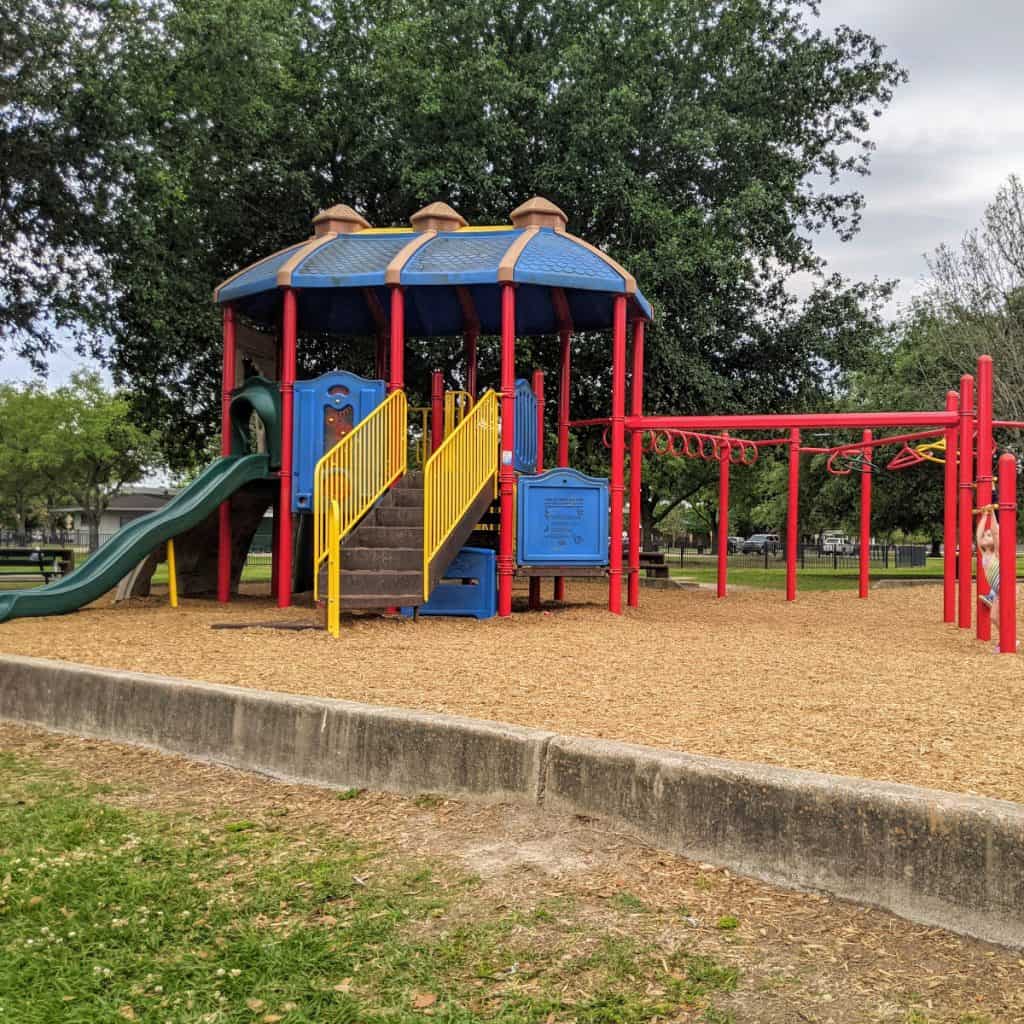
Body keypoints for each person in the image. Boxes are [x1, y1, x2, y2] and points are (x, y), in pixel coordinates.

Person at [976, 504, 1000, 609]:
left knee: (1000, 617)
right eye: (985, 535)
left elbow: (995, 533)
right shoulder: (984, 553)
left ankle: (991, 596)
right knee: (993, 617)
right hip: (995, 588)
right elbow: (978, 534)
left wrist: (993, 512)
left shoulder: (997, 553)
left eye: (988, 536)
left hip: (1002, 587)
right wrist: (985, 515)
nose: (985, 537)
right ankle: (991, 596)